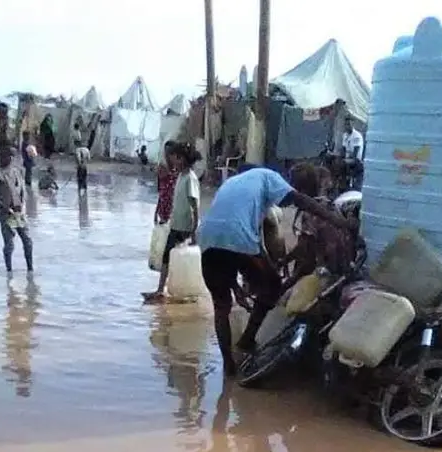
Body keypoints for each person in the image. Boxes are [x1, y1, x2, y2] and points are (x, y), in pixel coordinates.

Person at [197, 163, 357, 377]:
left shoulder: (233, 184)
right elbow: (300, 200)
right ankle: (246, 340)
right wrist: (339, 221)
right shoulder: (270, 177)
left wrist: (236, 284)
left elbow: (243, 238)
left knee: (221, 307)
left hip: (207, 239)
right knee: (273, 286)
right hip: (237, 239)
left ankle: (228, 365)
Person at [142, 142, 201, 302]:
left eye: (174, 157)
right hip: (176, 224)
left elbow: (194, 206)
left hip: (185, 227)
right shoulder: (181, 176)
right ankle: (164, 289)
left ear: (182, 159)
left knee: (176, 258)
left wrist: (194, 230)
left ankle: (175, 290)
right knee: (169, 257)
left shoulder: (190, 178)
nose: (172, 161)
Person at [0, 146, 34, 275]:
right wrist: (4, 206)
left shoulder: (17, 171)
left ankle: (30, 269)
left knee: (27, 241)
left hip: (19, 211)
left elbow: (22, 190)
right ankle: (9, 271)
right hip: (6, 213)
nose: (7, 159)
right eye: (5, 157)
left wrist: (23, 203)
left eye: (10, 157)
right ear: (0, 157)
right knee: (9, 245)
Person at [340, 117, 364, 190]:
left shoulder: (357, 136)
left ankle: (347, 185)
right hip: (347, 159)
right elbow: (343, 149)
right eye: (346, 124)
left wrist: (345, 160)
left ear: (353, 124)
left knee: (343, 163)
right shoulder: (345, 135)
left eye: (349, 124)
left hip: (356, 160)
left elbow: (355, 155)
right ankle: (341, 185)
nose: (347, 126)